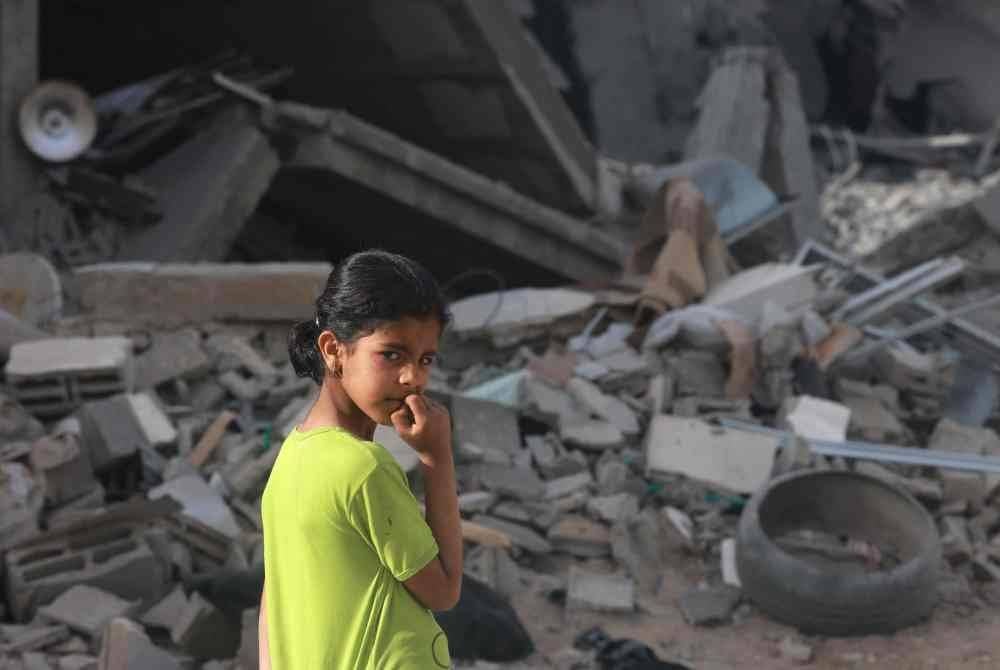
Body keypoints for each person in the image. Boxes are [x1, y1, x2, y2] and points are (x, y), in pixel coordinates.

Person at [259, 250, 462, 669]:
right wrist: (437, 458)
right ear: (333, 349)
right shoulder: (365, 468)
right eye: (392, 354)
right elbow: (444, 591)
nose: (413, 377)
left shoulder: (293, 455)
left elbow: (272, 608)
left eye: (425, 359)